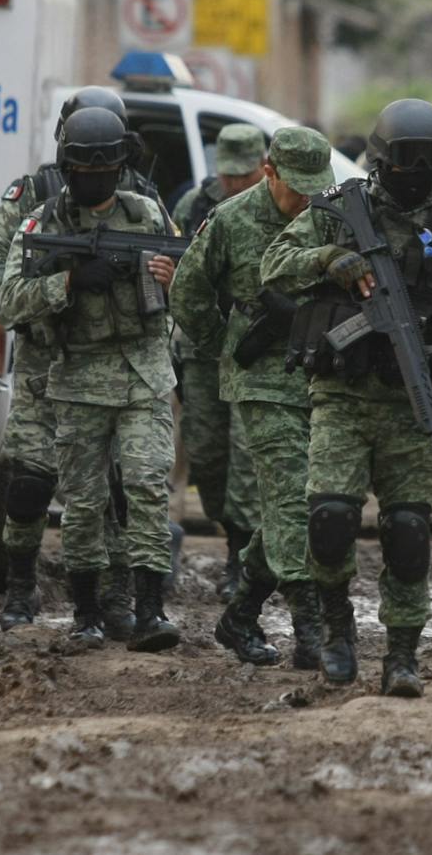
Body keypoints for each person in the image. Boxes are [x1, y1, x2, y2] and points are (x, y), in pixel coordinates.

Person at [262, 98, 432, 697]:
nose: (417, 172)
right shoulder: (339, 209)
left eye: (429, 160)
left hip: (415, 401)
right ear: (381, 158)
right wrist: (328, 259)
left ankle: (402, 654)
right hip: (343, 398)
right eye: (407, 159)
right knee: (330, 518)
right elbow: (274, 266)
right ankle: (336, 630)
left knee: (408, 532)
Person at [0, 86, 157, 636]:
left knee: (117, 487)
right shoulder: (36, 195)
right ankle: (20, 587)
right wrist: (36, 313)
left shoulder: (141, 202)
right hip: (46, 364)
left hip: (115, 367)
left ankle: (115, 599)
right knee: (30, 483)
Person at [0, 106, 183, 651]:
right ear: (68, 168)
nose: (95, 181)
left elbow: (191, 291)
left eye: (105, 171)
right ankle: (86, 612)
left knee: (146, 486)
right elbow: (10, 299)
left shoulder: (148, 214)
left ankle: (148, 609)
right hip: (78, 376)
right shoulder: (44, 223)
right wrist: (70, 281)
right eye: (85, 171)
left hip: (143, 373)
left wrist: (171, 281)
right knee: (83, 501)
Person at [171, 126, 337, 668]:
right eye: (297, 187)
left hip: (321, 375)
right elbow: (188, 290)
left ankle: (241, 614)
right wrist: (222, 344)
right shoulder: (231, 219)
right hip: (261, 377)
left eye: (315, 187)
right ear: (269, 172)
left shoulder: (332, 216)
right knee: (290, 498)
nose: (306, 198)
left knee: (310, 500)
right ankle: (309, 628)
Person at [171, 124, 267, 599]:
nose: (233, 184)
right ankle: (228, 526)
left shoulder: (279, 206)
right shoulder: (195, 206)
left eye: (243, 176)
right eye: (228, 175)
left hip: (258, 350)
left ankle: (241, 558)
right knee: (206, 452)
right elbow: (176, 265)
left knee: (247, 457)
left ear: (262, 169)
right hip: (203, 349)